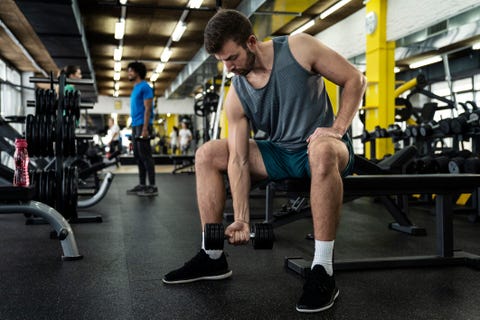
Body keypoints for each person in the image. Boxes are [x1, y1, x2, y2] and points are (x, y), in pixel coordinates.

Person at [162, 9, 366, 313]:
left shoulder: (299, 47)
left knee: (322, 150)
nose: (229, 69)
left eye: (232, 58)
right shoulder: (238, 93)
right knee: (208, 153)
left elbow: (355, 79)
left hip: (323, 148)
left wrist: (337, 128)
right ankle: (213, 255)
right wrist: (242, 217)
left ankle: (323, 269)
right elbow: (240, 160)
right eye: (223, 63)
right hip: (280, 153)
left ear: (252, 42)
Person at [125, 61, 158, 197]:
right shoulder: (135, 87)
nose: (129, 73)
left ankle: (152, 186)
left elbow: (148, 109)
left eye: (131, 71)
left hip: (143, 125)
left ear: (137, 72)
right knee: (138, 156)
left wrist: (145, 129)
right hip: (135, 125)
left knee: (146, 156)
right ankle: (142, 184)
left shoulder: (145, 87)